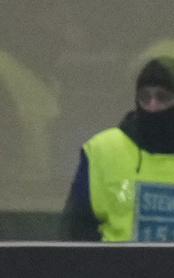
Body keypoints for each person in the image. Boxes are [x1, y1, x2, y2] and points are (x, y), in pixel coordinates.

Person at [61, 57, 174, 241]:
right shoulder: (103, 151)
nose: (152, 107)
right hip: (116, 268)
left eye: (162, 97)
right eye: (145, 98)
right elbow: (76, 230)